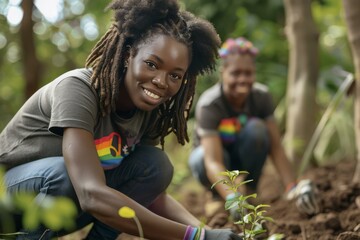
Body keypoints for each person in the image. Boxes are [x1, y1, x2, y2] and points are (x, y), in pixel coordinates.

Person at [0, 0, 243, 239]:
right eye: (151, 64)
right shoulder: (78, 89)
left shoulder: (148, 112)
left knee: (156, 166)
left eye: (175, 76)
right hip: (9, 200)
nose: (161, 81)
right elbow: (89, 192)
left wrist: (205, 232)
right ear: (128, 56)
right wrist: (194, 237)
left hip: (61, 203)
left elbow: (151, 194)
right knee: (67, 176)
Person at [188, 37, 320, 220]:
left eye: (248, 73)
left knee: (258, 129)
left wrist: (293, 187)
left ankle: (250, 189)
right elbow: (212, 162)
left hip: (243, 156)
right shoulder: (210, 105)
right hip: (215, 162)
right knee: (201, 156)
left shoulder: (261, 97)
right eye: (236, 73)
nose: (242, 79)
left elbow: (276, 147)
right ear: (223, 72)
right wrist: (234, 199)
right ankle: (218, 196)